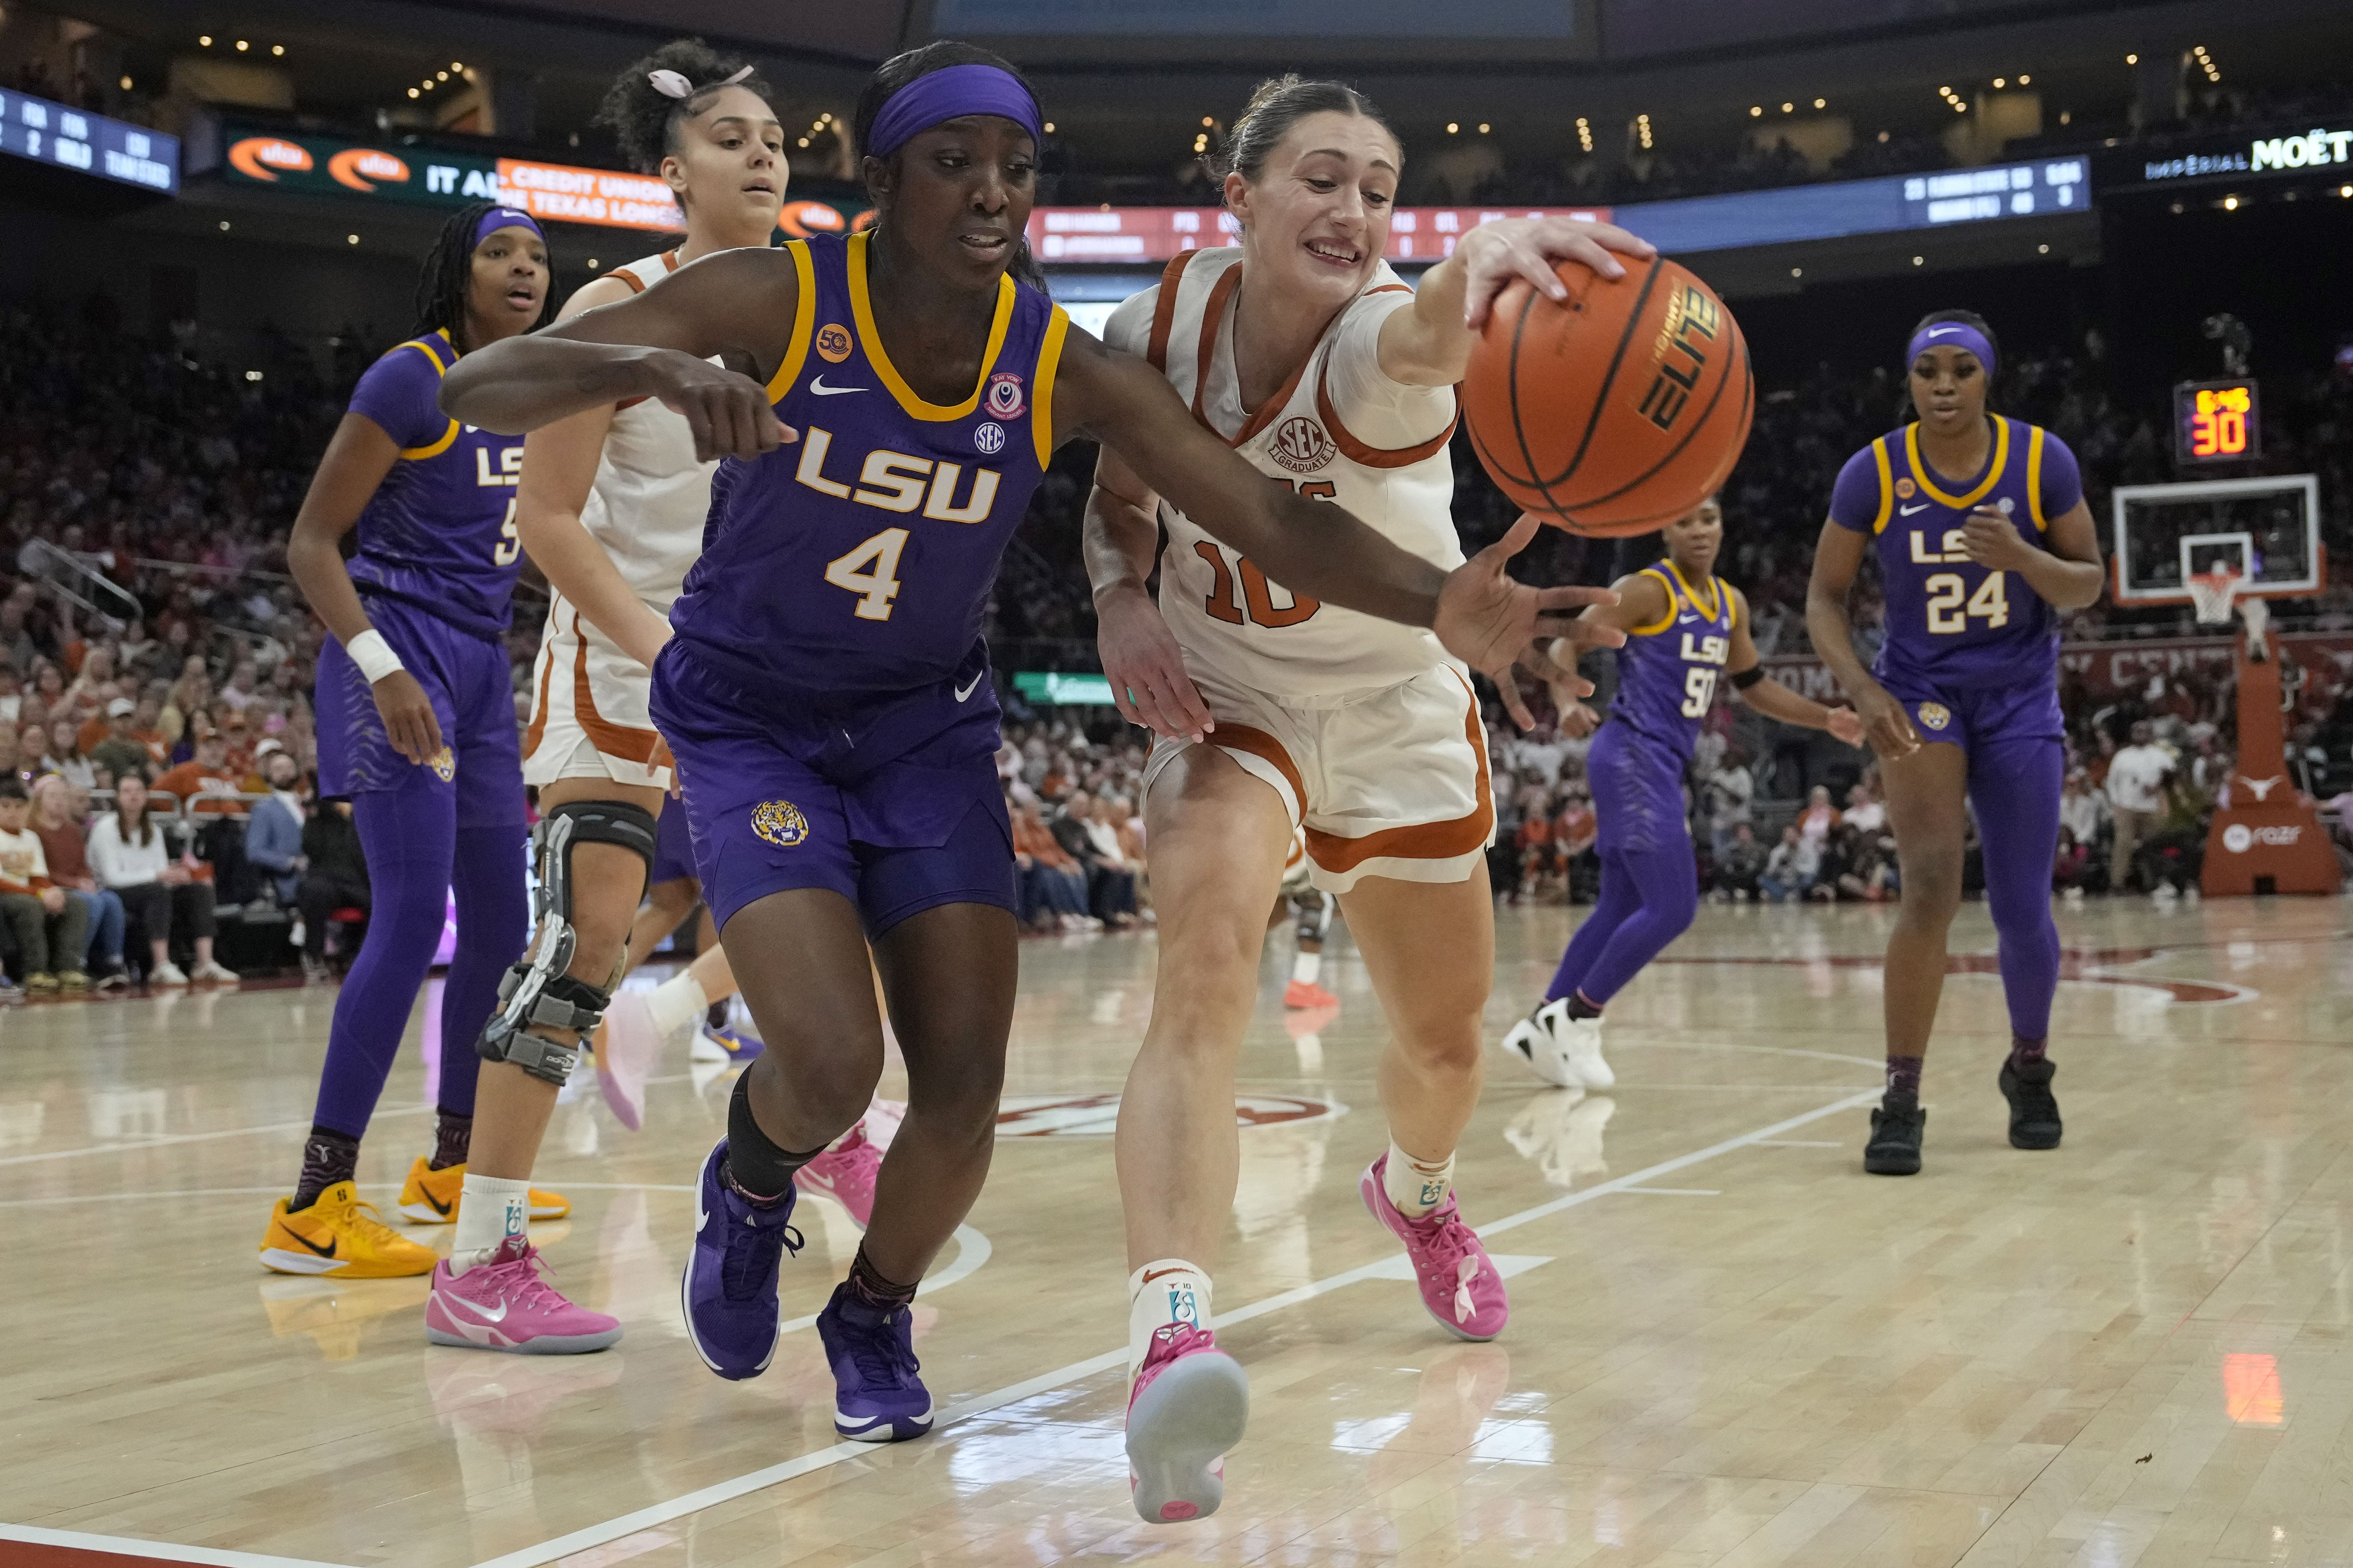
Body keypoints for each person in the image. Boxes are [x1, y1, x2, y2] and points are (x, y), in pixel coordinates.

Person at [440, 41, 1586, 1471]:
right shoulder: (773, 294)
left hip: (926, 723)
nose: (992, 192)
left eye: (1015, 168)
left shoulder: (1050, 351)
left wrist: (1441, 601)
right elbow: (481, 386)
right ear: (880, 177)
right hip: (759, 718)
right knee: (837, 1061)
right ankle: (756, 1184)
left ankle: (874, 1309)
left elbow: (1266, 511)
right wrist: (647, 362)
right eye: (954, 162)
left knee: (970, 1086)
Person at [1080, 74, 1639, 1521]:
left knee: (1443, 1038)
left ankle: (1421, 1188)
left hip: (1395, 706)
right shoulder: (1151, 325)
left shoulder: (1381, 348)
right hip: (1229, 701)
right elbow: (1121, 493)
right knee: (1200, 965)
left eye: (1378, 189)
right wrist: (1115, 599)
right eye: (1320, 178)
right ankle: (1170, 1337)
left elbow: (1426, 329)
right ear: (1240, 192)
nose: (1351, 210)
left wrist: (1472, 266)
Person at [259, 200, 564, 1284]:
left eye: (535, 256)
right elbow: (310, 542)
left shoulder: (532, 389)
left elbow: (516, 542)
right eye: (500, 253)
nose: (524, 270)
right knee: (407, 916)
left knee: (500, 918)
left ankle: (451, 1157)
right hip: (392, 653)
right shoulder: (410, 376)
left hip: (482, 664)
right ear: (457, 270)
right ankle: (316, 1201)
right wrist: (382, 665)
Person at [1805, 308, 2105, 1177]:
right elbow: (1824, 598)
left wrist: (2025, 559)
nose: (1942, 385)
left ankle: (2030, 1065)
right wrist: (1861, 686)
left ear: (1987, 377)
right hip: (1920, 693)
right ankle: (1901, 1095)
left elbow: (2086, 585)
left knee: (2020, 902)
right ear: (1909, 379)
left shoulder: (2042, 459)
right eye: (1927, 370)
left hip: (2017, 695)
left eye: (1959, 370)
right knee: (1929, 887)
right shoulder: (1875, 471)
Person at [1504, 496, 1863, 1088]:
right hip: (1631, 754)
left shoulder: (1730, 604)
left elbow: (1752, 686)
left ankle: (1544, 1022)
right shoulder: (1646, 590)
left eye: (1709, 519)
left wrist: (1825, 719)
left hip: (1659, 764)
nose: (1698, 531)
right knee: (1673, 907)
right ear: (1663, 531)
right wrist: (1567, 700)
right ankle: (1577, 1018)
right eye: (1684, 520)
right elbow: (1569, 641)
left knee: (1621, 906)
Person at [86, 775, 231, 986]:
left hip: (149, 888)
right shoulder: (105, 828)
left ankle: (204, 963)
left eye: (138, 791)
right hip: (113, 892)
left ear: (146, 796)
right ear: (117, 798)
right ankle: (160, 965)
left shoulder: (153, 830)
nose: (133, 796)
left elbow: (162, 870)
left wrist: (178, 876)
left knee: (198, 890)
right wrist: (158, 876)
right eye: (127, 791)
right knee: (157, 891)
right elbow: (112, 878)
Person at [29, 775, 125, 987]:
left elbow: (82, 864)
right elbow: (42, 872)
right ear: (39, 799)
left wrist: (87, 880)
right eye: (53, 796)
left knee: (111, 900)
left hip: (75, 885)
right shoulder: (32, 829)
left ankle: (113, 962)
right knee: (91, 902)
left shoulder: (72, 829)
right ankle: (75, 961)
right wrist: (76, 884)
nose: (59, 801)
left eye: (64, 796)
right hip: (51, 887)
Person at [0, 777, 88, 990]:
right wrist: (39, 894)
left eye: (19, 807)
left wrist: (52, 891)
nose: (13, 812)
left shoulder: (30, 838)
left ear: (28, 808)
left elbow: (39, 876)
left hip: (28, 892)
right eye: (5, 806)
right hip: (6, 895)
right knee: (30, 906)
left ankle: (68, 968)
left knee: (75, 904)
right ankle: (35, 971)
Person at [296, 798, 371, 976]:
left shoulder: (367, 809)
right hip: (327, 878)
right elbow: (310, 848)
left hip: (360, 879)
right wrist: (313, 818)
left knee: (383, 901)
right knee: (314, 891)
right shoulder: (321, 811)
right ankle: (314, 954)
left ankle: (364, 956)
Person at [2105, 720, 2171, 895]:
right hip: (2126, 808)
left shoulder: (2160, 755)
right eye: (2137, 732)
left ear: (2150, 735)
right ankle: (2117, 884)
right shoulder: (2122, 756)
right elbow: (2111, 783)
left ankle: (2153, 883)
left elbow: (2171, 776)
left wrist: (2156, 787)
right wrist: (2116, 804)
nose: (2140, 735)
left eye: (2144, 732)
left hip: (2152, 808)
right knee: (2123, 844)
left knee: (2153, 846)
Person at [245, 741, 307, 907]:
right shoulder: (263, 810)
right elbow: (255, 851)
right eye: (278, 769)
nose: (284, 773)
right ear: (269, 775)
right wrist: (290, 862)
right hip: (289, 879)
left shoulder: (310, 804)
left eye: (288, 767)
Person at [1758, 823, 1819, 902]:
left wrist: (1795, 866)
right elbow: (1770, 872)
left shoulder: (1809, 849)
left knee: (1809, 880)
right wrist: (1778, 865)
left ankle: (1790, 895)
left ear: (1798, 835)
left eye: (1792, 834)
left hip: (1799, 881)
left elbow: (1813, 870)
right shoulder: (1778, 852)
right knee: (1761, 880)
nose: (1790, 837)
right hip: (1782, 882)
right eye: (1787, 834)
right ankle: (1785, 895)